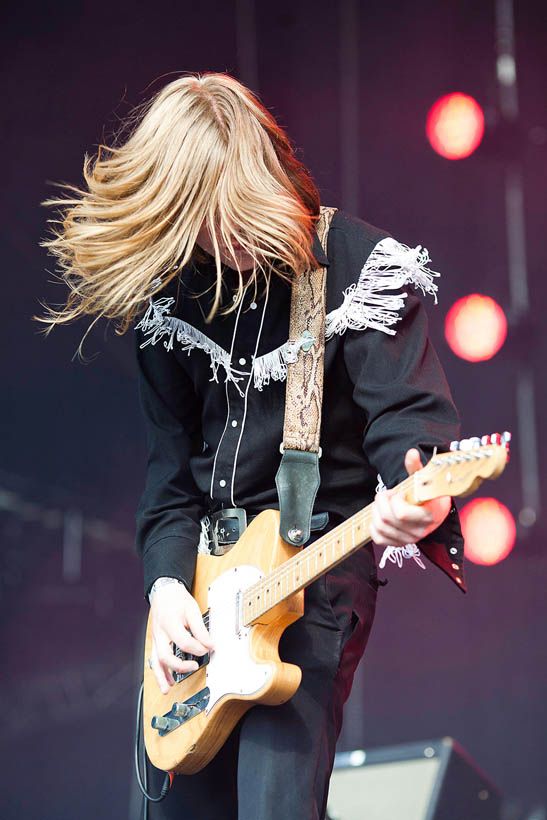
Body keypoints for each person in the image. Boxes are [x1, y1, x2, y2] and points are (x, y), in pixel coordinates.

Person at [39, 72, 464, 820]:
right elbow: (170, 476)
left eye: (235, 214)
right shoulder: (173, 298)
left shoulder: (357, 267)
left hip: (313, 580)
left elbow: (413, 432)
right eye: (205, 223)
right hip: (204, 598)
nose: (228, 239)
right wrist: (165, 587)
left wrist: (418, 500)